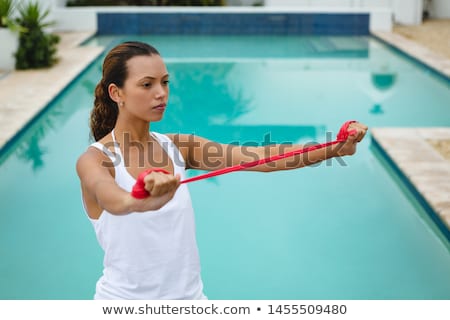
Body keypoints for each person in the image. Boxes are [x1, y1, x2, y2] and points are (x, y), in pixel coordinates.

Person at [76, 41, 368, 300]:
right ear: (117, 93)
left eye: (165, 83)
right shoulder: (95, 159)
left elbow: (260, 157)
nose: (161, 93)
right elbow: (111, 197)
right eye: (147, 84)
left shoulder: (178, 147)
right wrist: (138, 200)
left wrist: (336, 148)